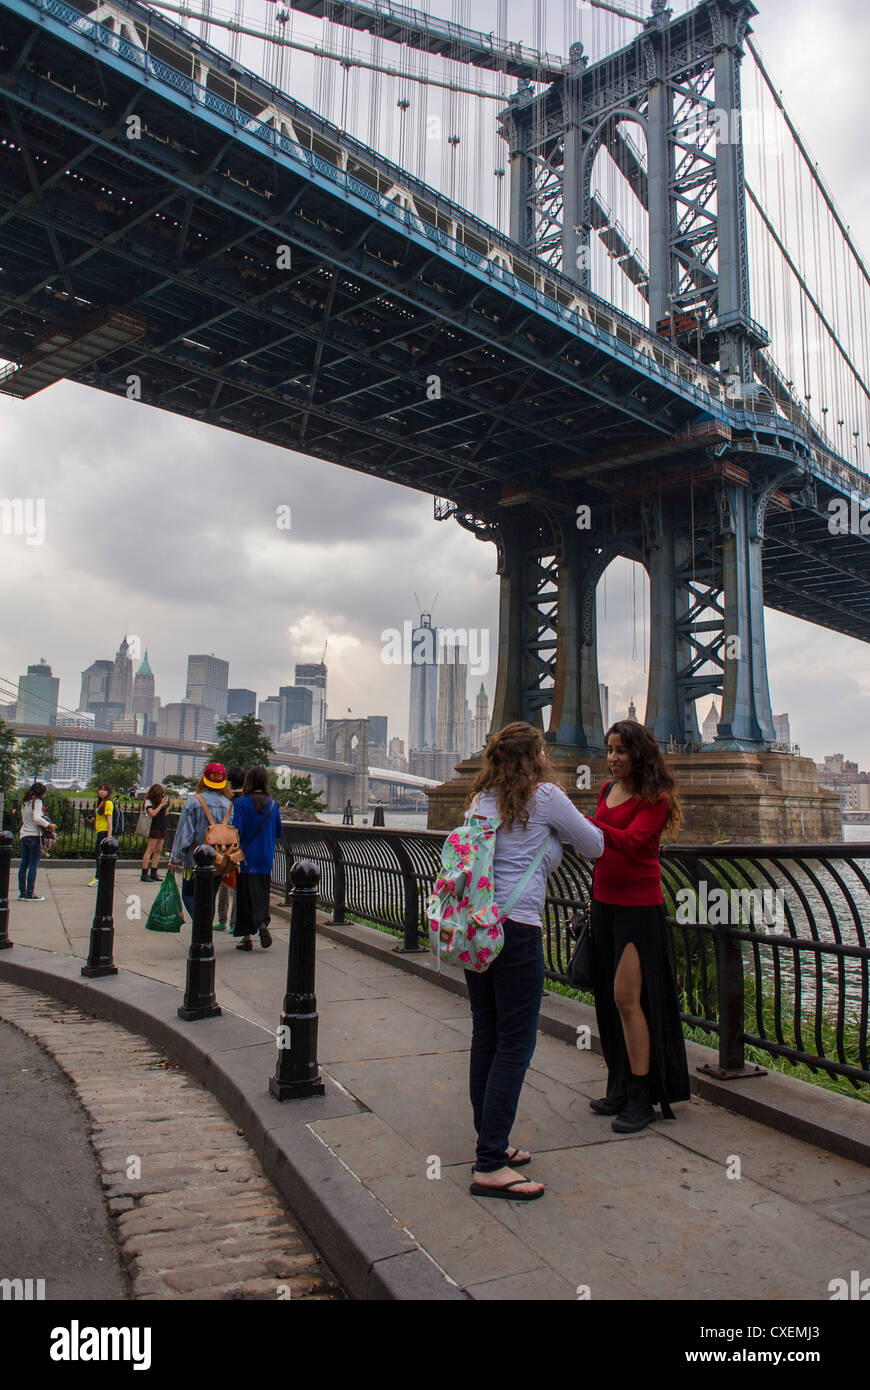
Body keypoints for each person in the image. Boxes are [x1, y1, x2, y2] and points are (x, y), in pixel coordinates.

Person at [464, 722, 604, 1201]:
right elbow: (596, 846)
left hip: (478, 928)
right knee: (515, 1046)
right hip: (518, 931)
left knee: (486, 1033)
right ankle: (489, 1165)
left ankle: (491, 1145)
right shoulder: (545, 797)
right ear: (538, 753)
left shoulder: (479, 799)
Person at [587, 720, 691, 1134]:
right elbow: (603, 845)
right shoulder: (604, 792)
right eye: (609, 750)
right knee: (609, 1001)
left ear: (639, 754)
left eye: (620, 751)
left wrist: (586, 826)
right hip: (603, 902)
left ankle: (641, 1098)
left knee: (627, 999)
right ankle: (619, 1084)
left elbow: (630, 843)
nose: (612, 758)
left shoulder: (656, 798)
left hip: (638, 908)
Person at [167, 763, 233, 921]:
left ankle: (201, 926)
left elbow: (185, 834)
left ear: (203, 780)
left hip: (192, 861)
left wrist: (175, 858)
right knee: (209, 898)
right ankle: (205, 934)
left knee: (189, 894)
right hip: (218, 862)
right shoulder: (228, 805)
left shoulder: (194, 802)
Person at [231, 765, 284, 952]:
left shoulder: (241, 803)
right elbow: (279, 832)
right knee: (262, 893)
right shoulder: (273, 804)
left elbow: (236, 830)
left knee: (245, 896)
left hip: (246, 857)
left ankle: (247, 938)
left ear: (248, 782)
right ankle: (263, 923)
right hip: (266, 857)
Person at [216, 765, 245, 932]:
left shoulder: (224, 800)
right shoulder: (245, 802)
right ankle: (235, 923)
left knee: (223, 883)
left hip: (223, 845)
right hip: (239, 846)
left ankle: (221, 920)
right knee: (237, 885)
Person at [18, 782, 56, 901]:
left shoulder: (25, 802)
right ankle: (30, 893)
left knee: (24, 865)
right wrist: (49, 825)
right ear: (41, 793)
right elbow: (36, 818)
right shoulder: (37, 802)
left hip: (24, 835)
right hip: (34, 836)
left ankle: (22, 892)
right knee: (33, 865)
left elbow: (26, 819)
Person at [140, 783, 169, 882]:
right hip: (154, 826)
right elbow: (152, 813)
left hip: (162, 826)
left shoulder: (162, 801)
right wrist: (161, 804)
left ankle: (154, 871)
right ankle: (144, 872)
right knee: (150, 849)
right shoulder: (149, 801)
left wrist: (166, 804)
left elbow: (165, 813)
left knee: (158, 850)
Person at [89, 783, 114, 887]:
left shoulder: (108, 803)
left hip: (103, 832)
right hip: (100, 831)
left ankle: (98, 877)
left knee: (99, 855)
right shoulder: (101, 803)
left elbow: (109, 820)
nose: (101, 792)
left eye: (104, 790)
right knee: (99, 855)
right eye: (100, 790)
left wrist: (109, 836)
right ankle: (100, 877)